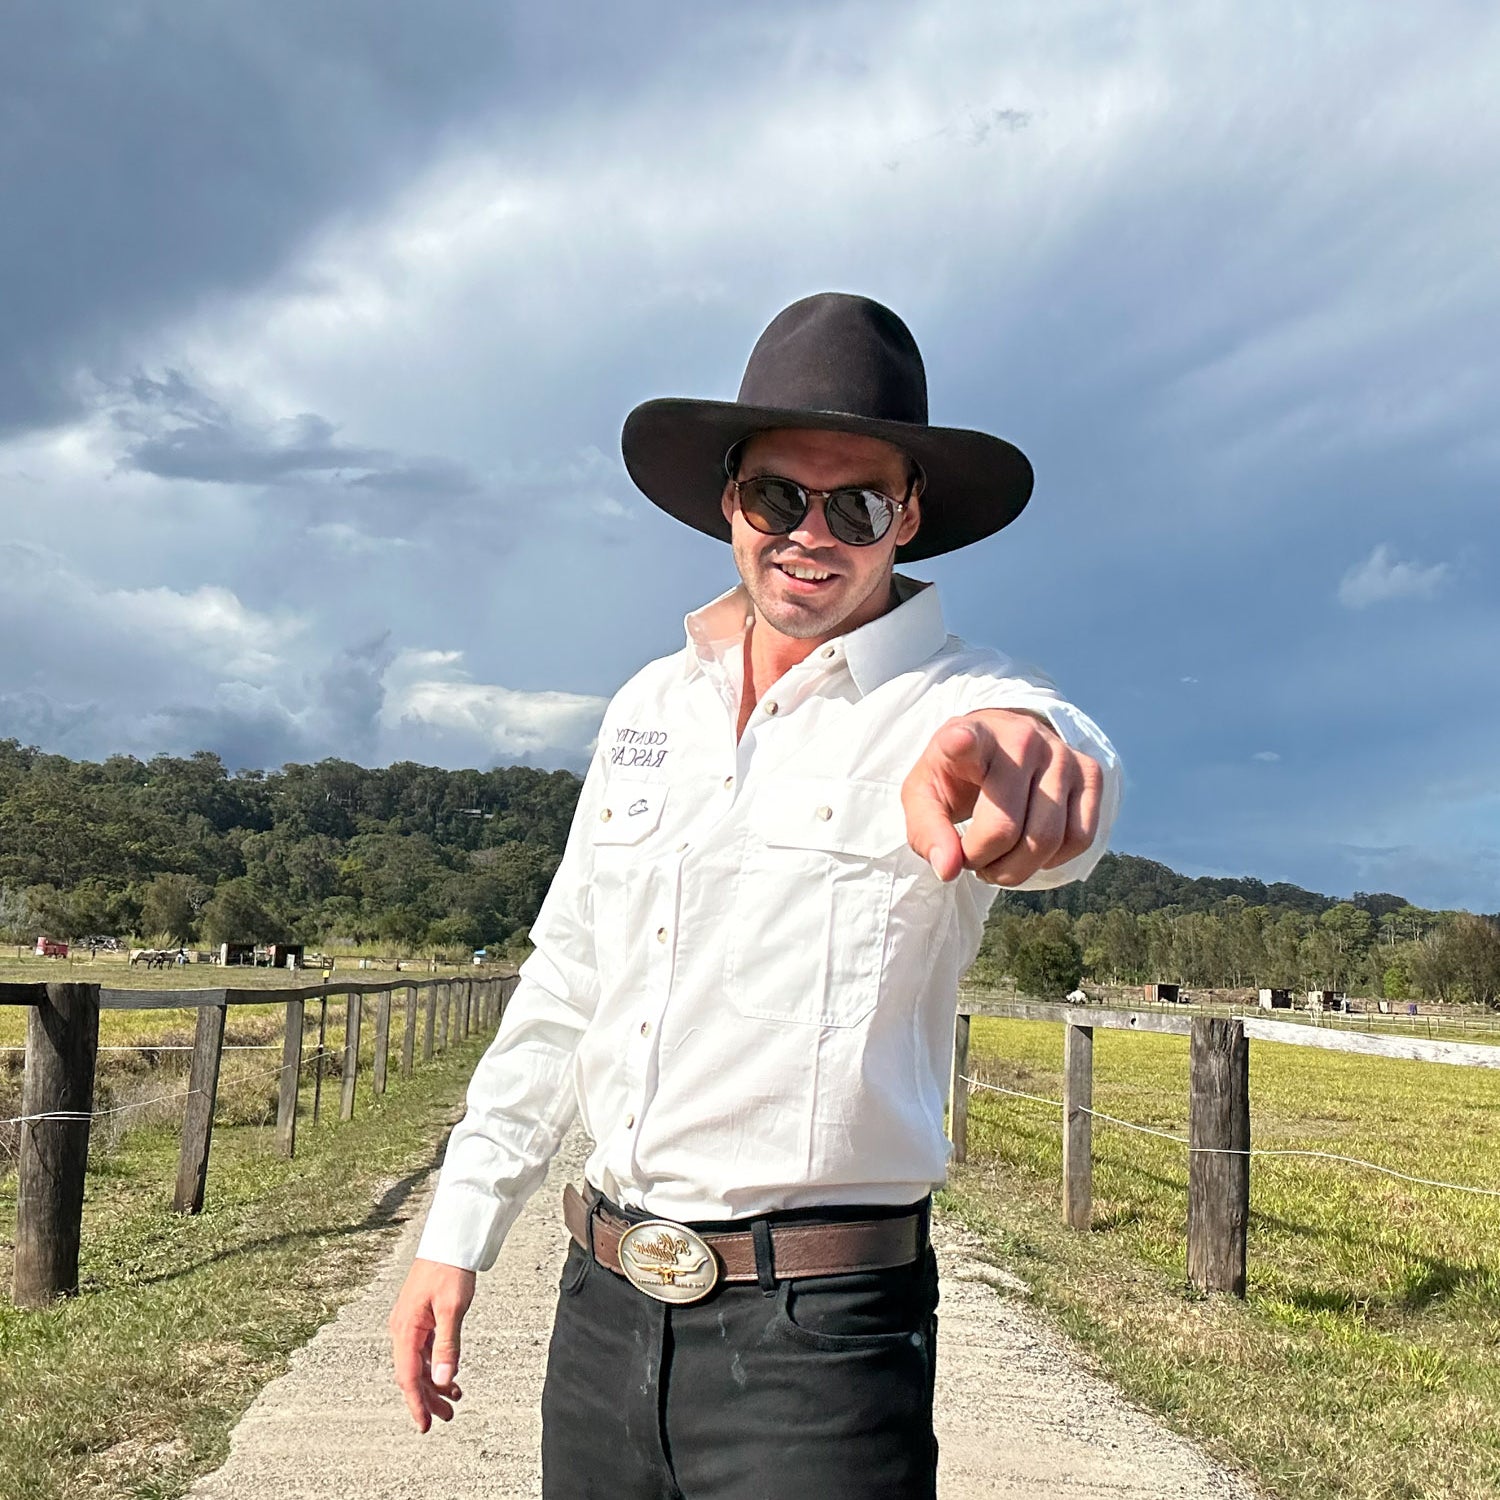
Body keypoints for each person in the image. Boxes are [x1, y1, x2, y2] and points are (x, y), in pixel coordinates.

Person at [389, 292, 1122, 1498]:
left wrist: (1034, 754)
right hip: (601, 1311)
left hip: (821, 1347)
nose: (812, 532)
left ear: (911, 517)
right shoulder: (647, 710)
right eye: (781, 495)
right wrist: (457, 1232)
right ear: (730, 499)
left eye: (859, 503)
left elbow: (1062, 761)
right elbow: (569, 981)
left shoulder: (961, 702)